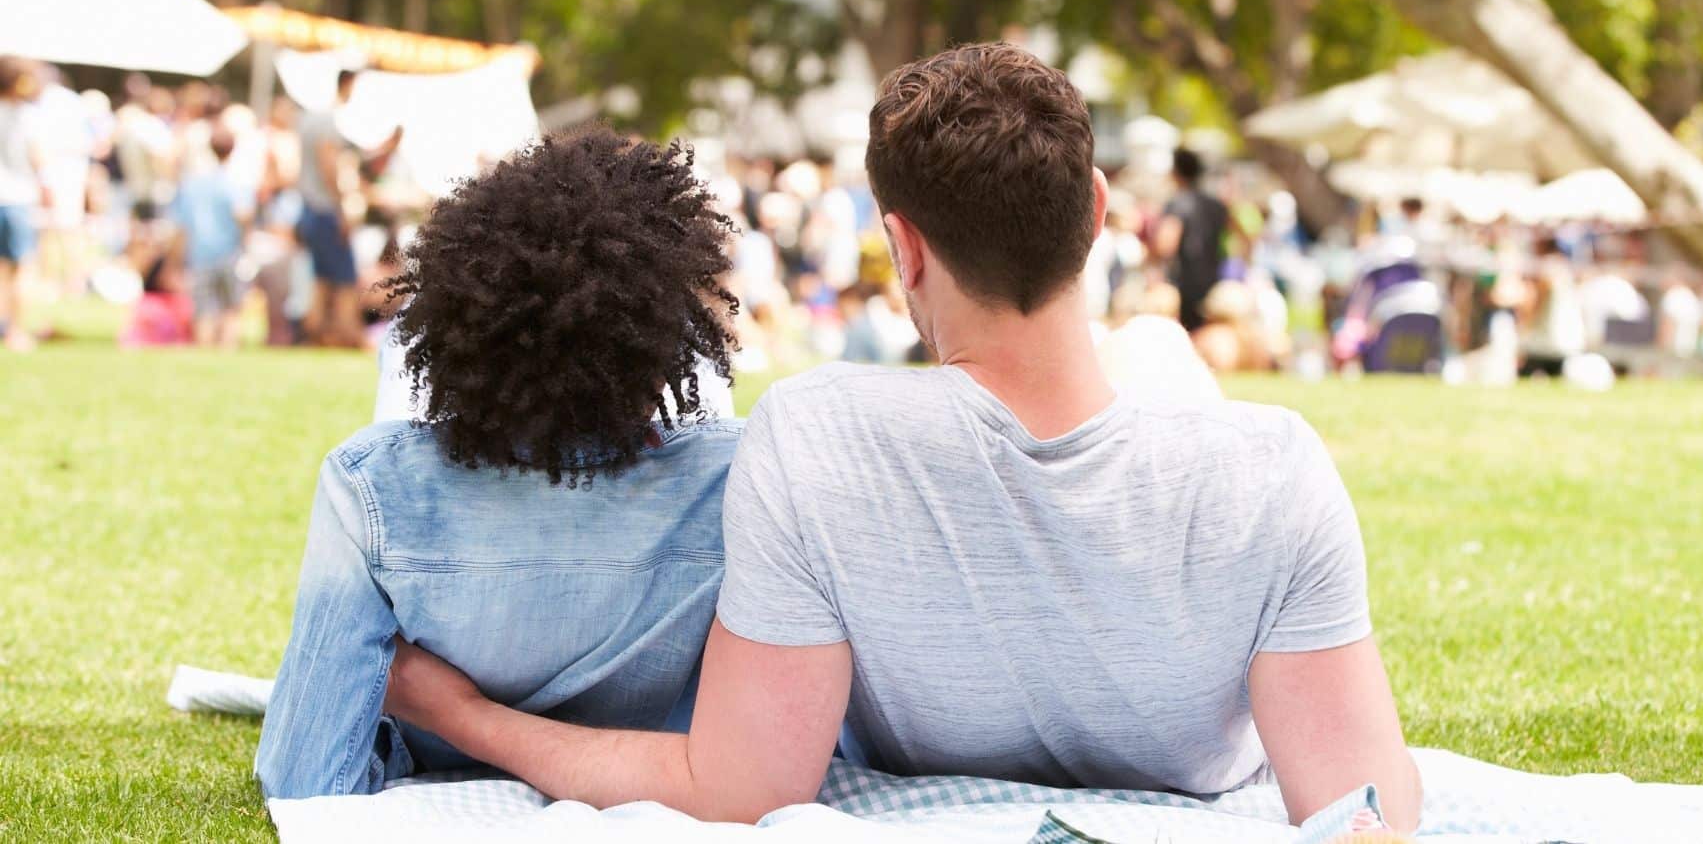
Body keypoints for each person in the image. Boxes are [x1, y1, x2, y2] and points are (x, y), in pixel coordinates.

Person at [385, 43, 1422, 832]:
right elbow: (1365, 809)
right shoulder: (1272, 467)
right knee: (1150, 351)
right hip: (1171, 479)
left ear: (901, 250)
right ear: (1098, 210)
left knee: (1151, 349)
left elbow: (739, 788)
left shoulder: (818, 436)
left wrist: (469, 719)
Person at [254, 128, 744, 798]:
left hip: (440, 758)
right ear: (669, 321)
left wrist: (437, 721)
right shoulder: (742, 476)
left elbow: (303, 778)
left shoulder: (373, 485)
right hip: (661, 773)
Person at [295, 68, 400, 347]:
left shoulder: (307, 119)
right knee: (343, 280)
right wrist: (342, 208)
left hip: (308, 208)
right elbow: (328, 166)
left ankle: (313, 335)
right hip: (325, 209)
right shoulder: (327, 122)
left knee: (321, 279)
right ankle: (350, 338)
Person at [170, 127, 251, 347]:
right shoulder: (237, 182)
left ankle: (205, 350)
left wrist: (175, 261)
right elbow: (243, 216)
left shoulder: (193, 183)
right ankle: (227, 351)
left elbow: (181, 226)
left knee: (204, 310)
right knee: (231, 309)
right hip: (230, 254)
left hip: (200, 254)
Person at [1153, 147, 1230, 332]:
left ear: (1176, 172)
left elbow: (1165, 245)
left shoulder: (1178, 203)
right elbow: (1242, 234)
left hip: (1184, 284)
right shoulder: (1216, 204)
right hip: (1212, 279)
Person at [0, 56, 46, 351]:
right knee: (21, 268)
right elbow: (37, 157)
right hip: (16, 197)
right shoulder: (26, 116)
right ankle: (15, 331)